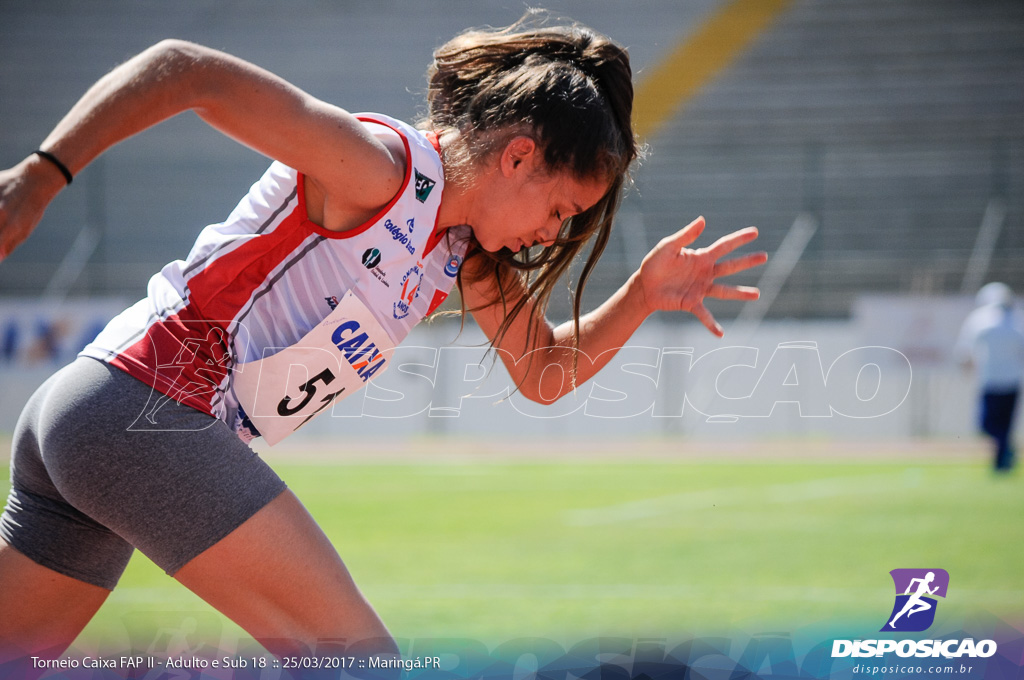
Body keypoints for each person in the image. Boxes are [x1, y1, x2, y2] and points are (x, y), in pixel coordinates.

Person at [0, 17, 766, 669]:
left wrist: (642, 295)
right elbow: (187, 70)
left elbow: (544, 372)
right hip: (142, 408)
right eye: (561, 208)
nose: (553, 234)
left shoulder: (457, 254)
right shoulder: (380, 170)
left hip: (96, 421)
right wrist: (40, 176)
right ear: (519, 156)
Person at [956, 282, 1024, 472]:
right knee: (992, 425)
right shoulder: (983, 319)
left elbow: (964, 349)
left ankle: (1002, 462)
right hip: (996, 380)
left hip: (1003, 380)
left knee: (997, 425)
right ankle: (1005, 452)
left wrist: (965, 365)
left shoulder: (1014, 319)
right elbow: (966, 347)